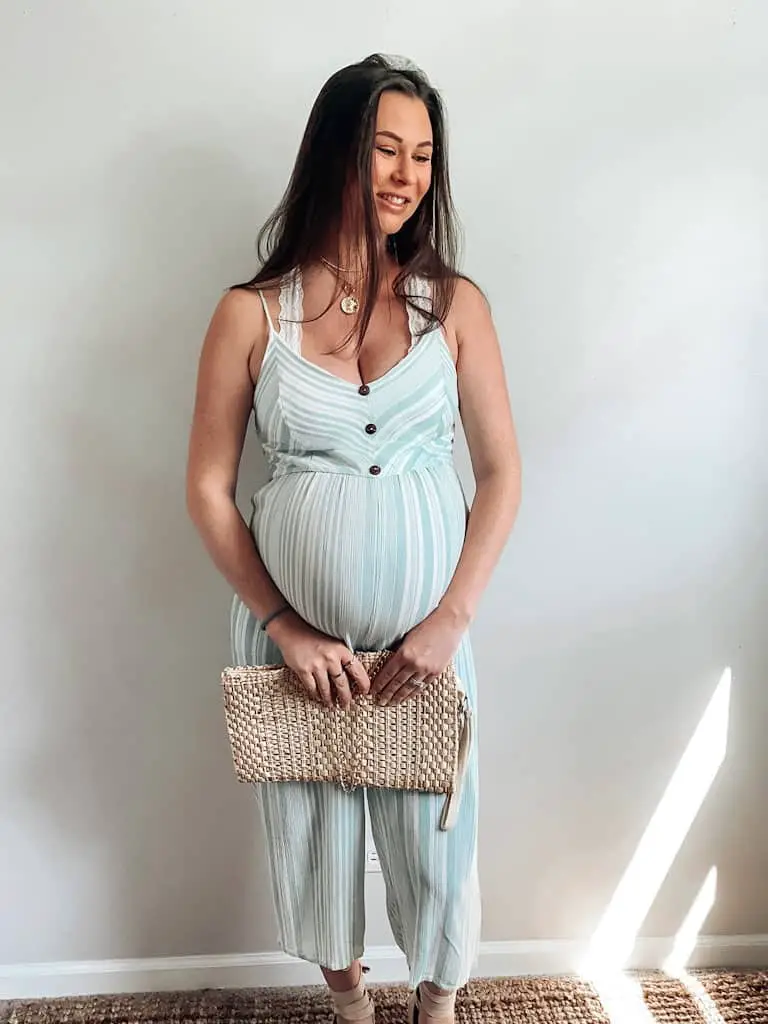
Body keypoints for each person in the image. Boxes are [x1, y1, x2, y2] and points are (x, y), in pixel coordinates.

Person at [186, 53, 521, 1024]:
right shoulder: (249, 314)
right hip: (296, 654)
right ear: (334, 150)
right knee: (316, 834)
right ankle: (349, 1008)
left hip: (429, 647)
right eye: (384, 148)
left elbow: (501, 475)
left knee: (438, 840)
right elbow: (209, 489)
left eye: (421, 155)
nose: (405, 175)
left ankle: (440, 1006)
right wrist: (285, 621)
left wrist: (451, 619)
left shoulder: (454, 307)